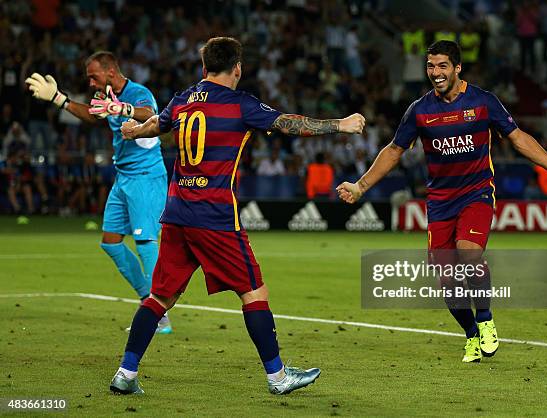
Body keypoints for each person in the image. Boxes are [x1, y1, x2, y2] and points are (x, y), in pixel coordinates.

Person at [111, 37, 365, 395]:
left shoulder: (183, 99)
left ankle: (126, 373)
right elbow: (288, 124)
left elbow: (159, 123)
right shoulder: (239, 104)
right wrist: (340, 124)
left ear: (204, 68)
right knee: (254, 292)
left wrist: (134, 130)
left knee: (159, 297)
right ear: (238, 69)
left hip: (177, 215)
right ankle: (278, 377)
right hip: (214, 217)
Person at [337, 40, 547, 363]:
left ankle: (485, 319)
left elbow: (518, 138)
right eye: (430, 66)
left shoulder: (484, 102)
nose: (435, 72)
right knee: (446, 278)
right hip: (440, 202)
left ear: (458, 68)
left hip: (477, 193)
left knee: (468, 254)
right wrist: (361, 186)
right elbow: (394, 150)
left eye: (443, 65)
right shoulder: (420, 110)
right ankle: (472, 335)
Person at [25, 52, 171, 333]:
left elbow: (150, 115)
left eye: (94, 75)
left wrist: (122, 110)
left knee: (145, 243)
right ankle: (147, 300)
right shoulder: (106, 96)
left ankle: (157, 315)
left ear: (111, 72)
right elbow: (93, 117)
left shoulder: (138, 93)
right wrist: (60, 99)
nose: (90, 81)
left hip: (145, 177)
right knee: (111, 242)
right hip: (124, 178)